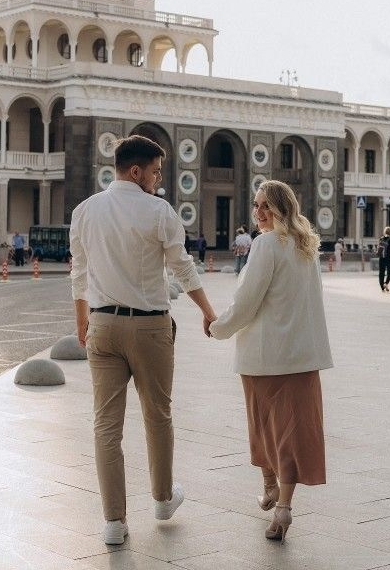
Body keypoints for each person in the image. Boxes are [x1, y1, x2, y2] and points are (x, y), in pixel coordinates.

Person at [70, 134, 217, 547]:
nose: (157, 179)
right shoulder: (159, 212)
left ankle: (114, 522)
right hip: (150, 327)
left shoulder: (84, 211)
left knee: (105, 426)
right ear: (136, 171)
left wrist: (82, 321)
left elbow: (78, 272)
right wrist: (208, 311)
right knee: (157, 414)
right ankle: (163, 499)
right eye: (155, 171)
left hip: (101, 325)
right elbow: (183, 269)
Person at [209, 180, 332, 543]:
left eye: (266, 206)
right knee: (291, 434)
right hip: (302, 356)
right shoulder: (306, 245)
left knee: (263, 428)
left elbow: (248, 301)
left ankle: (269, 487)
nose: (259, 213)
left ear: (281, 208)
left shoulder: (265, 244)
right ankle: (283, 508)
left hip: (265, 356)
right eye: (256, 205)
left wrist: (218, 327)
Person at [377, 226, 390, 292]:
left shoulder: (381, 238)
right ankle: (386, 283)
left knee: (381, 272)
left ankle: (382, 287)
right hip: (389, 258)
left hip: (381, 258)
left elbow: (379, 248)